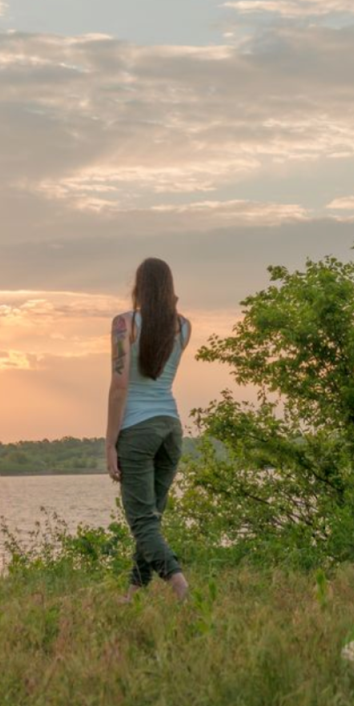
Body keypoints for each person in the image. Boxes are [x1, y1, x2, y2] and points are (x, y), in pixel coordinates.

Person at [106, 257, 191, 601]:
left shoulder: (124, 324)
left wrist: (110, 443)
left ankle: (180, 585)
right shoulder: (183, 327)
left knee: (142, 521)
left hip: (137, 430)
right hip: (170, 428)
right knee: (151, 518)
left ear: (137, 286)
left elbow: (119, 386)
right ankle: (131, 594)